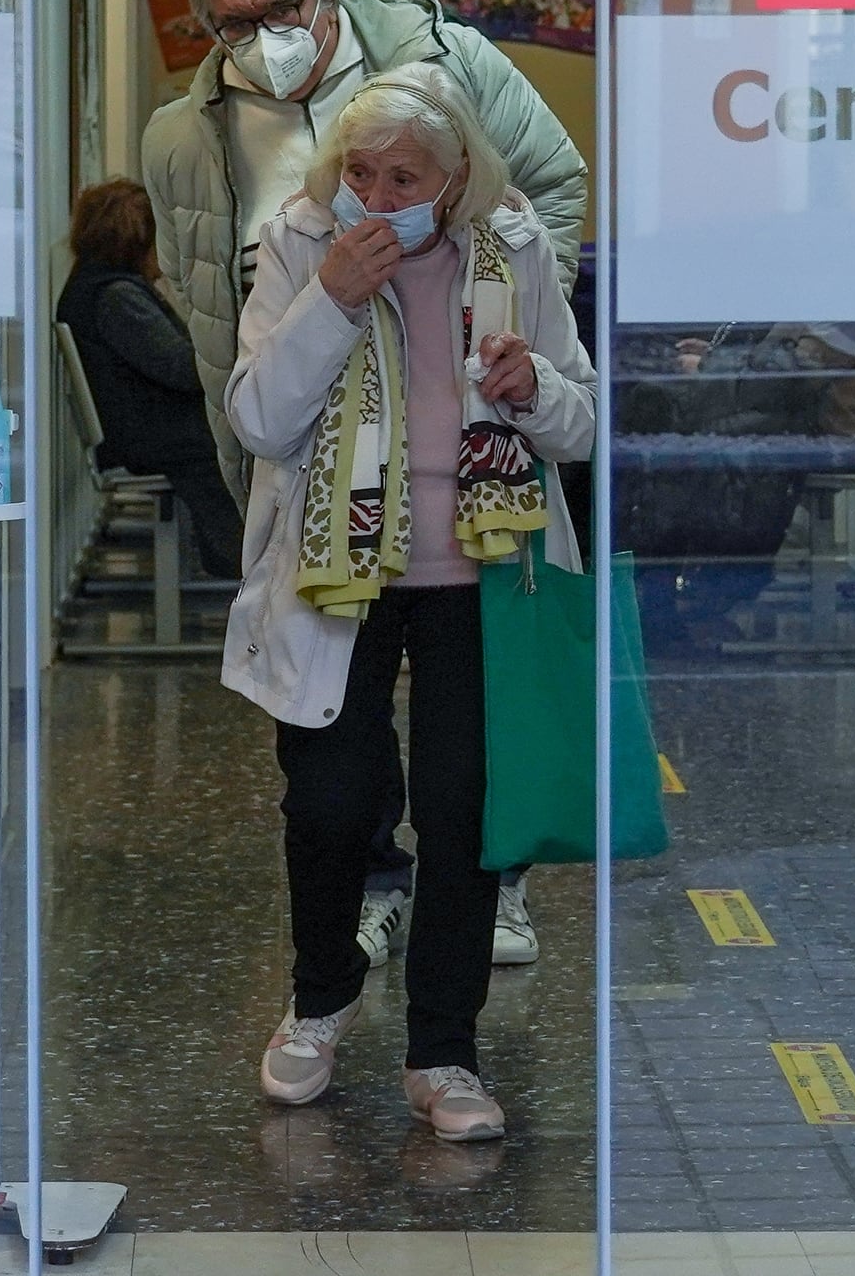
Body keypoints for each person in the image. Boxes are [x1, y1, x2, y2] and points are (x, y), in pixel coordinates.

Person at [144, 0, 583, 968]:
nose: (265, 36)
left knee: (471, 736)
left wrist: (508, 320)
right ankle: (377, 887)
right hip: (306, 430)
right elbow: (207, 306)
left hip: (463, 448)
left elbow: (553, 185)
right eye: (234, 23)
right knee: (335, 713)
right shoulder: (182, 137)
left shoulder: (447, 58)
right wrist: (261, 414)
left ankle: (487, 891)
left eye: (281, 8)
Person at [220, 63, 595, 1141]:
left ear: (458, 176)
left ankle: (444, 1050)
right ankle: (321, 1000)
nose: (378, 197)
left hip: (481, 572)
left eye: (405, 178)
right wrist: (333, 299)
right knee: (330, 806)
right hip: (335, 574)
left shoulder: (515, 248)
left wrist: (535, 388)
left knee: (465, 812)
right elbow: (258, 418)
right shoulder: (300, 244)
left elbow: (581, 421)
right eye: (361, 173)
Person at [57, 179, 243, 580]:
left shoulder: (99, 286)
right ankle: (245, 560)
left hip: (141, 427)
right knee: (246, 438)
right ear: (137, 241)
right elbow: (180, 368)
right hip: (154, 435)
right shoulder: (117, 297)